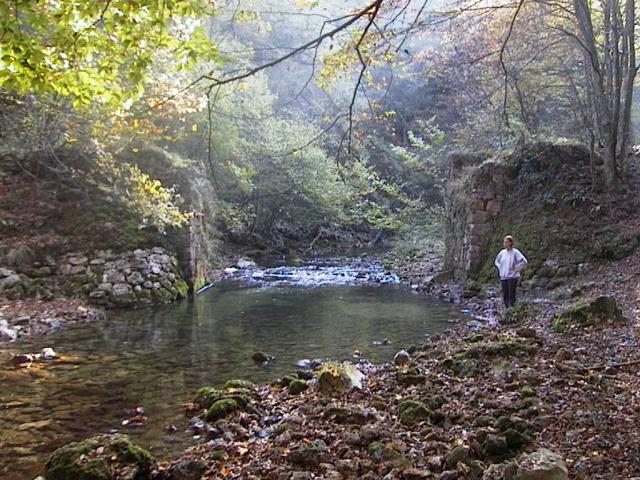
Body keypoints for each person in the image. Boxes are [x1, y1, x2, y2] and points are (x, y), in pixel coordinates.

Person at [494, 235, 528, 308]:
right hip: (503, 276)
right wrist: (500, 267)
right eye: (504, 242)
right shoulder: (502, 252)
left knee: (511, 294)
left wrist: (517, 268)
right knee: (505, 294)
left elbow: (524, 261)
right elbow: (496, 261)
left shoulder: (515, 252)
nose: (505, 244)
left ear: (510, 243)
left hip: (513, 276)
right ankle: (507, 309)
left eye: (507, 242)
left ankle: (512, 309)